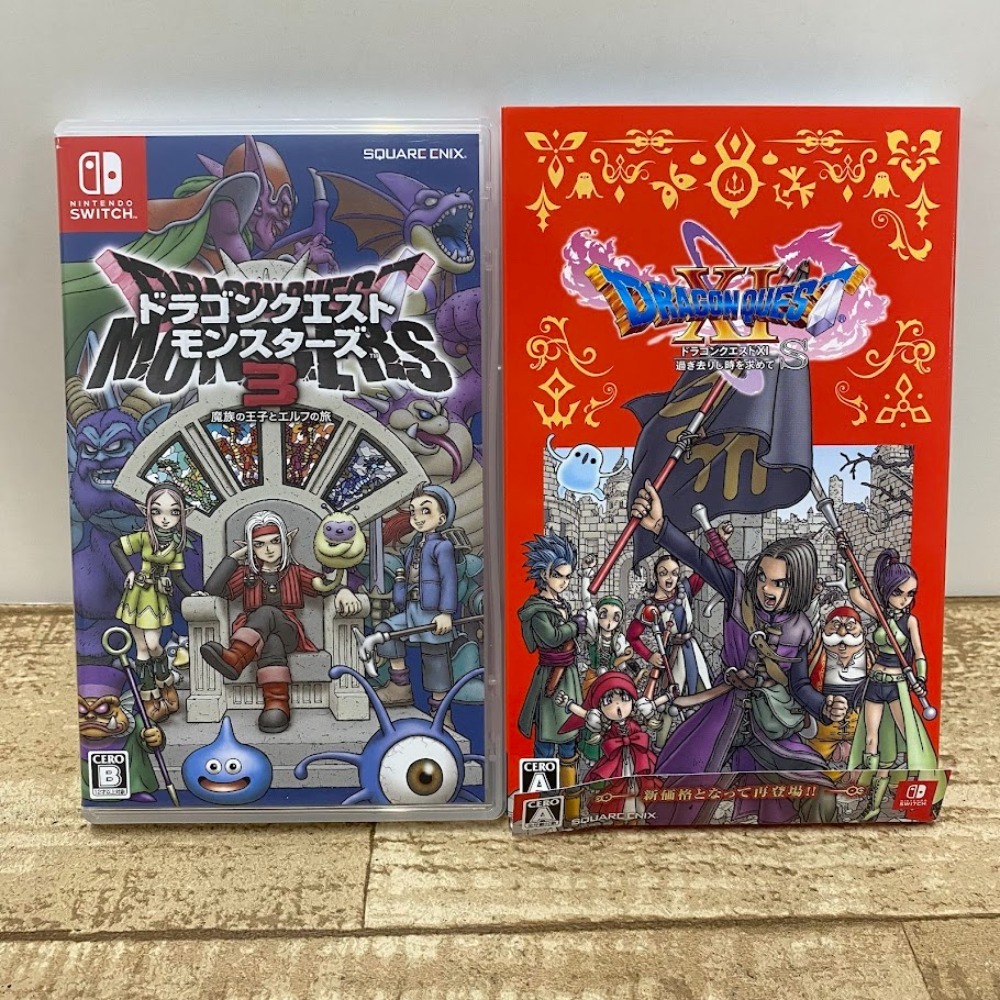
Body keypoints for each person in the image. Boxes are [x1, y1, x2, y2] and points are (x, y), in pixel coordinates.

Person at [630, 479, 847, 823]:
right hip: (723, 714)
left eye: (779, 583)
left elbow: (800, 684)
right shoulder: (738, 593)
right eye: (762, 578)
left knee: (820, 794)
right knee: (682, 795)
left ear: (799, 583)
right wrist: (660, 526)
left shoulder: (801, 627)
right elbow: (698, 559)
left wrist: (824, 706)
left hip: (771, 727)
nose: (766, 589)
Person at [200, 510, 352, 733]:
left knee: (267, 612)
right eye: (259, 544)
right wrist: (234, 558)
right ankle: (276, 704)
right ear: (251, 548)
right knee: (272, 642)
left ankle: (236, 657)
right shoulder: (246, 573)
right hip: (260, 639)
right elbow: (213, 589)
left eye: (275, 541)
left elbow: (324, 586)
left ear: (285, 541)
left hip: (289, 630)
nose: (269, 549)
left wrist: (342, 590)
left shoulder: (295, 572)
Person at [845, 549, 937, 820]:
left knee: (910, 739)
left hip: (898, 685)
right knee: (872, 742)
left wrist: (921, 679)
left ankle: (917, 796)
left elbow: (919, 654)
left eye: (910, 594)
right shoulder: (880, 614)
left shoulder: (910, 621)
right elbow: (855, 595)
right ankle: (872, 804)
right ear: (887, 591)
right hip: (876, 683)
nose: (905, 599)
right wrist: (847, 559)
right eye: (899, 593)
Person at [358, 485, 459, 719]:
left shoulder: (442, 547)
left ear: (441, 518)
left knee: (435, 658)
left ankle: (441, 710)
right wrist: (400, 592)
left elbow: (449, 579)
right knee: (386, 631)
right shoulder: (412, 548)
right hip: (412, 610)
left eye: (426, 511)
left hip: (432, 612)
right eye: (413, 511)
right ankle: (399, 686)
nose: (417, 517)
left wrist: (446, 612)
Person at [110, 484, 195, 721]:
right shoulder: (144, 538)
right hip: (137, 594)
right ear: (147, 512)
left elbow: (178, 577)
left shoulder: (176, 545)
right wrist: (129, 571)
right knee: (141, 648)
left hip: (156, 597)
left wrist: (192, 593)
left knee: (154, 644)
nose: (165, 518)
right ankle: (150, 697)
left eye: (173, 512)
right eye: (157, 511)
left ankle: (166, 684)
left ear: (182, 514)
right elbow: (116, 546)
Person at [516, 533, 587, 797]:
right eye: (559, 575)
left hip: (568, 676)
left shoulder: (561, 603)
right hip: (550, 679)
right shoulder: (536, 609)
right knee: (546, 741)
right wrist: (574, 626)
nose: (564, 582)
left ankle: (570, 797)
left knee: (569, 738)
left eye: (568, 576)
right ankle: (543, 799)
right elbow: (551, 637)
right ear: (545, 574)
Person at [804, 606, 871, 766]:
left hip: (862, 730)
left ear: (863, 630)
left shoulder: (874, 656)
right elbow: (800, 685)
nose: (842, 632)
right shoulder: (813, 654)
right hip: (822, 728)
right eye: (835, 625)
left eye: (850, 626)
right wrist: (823, 706)